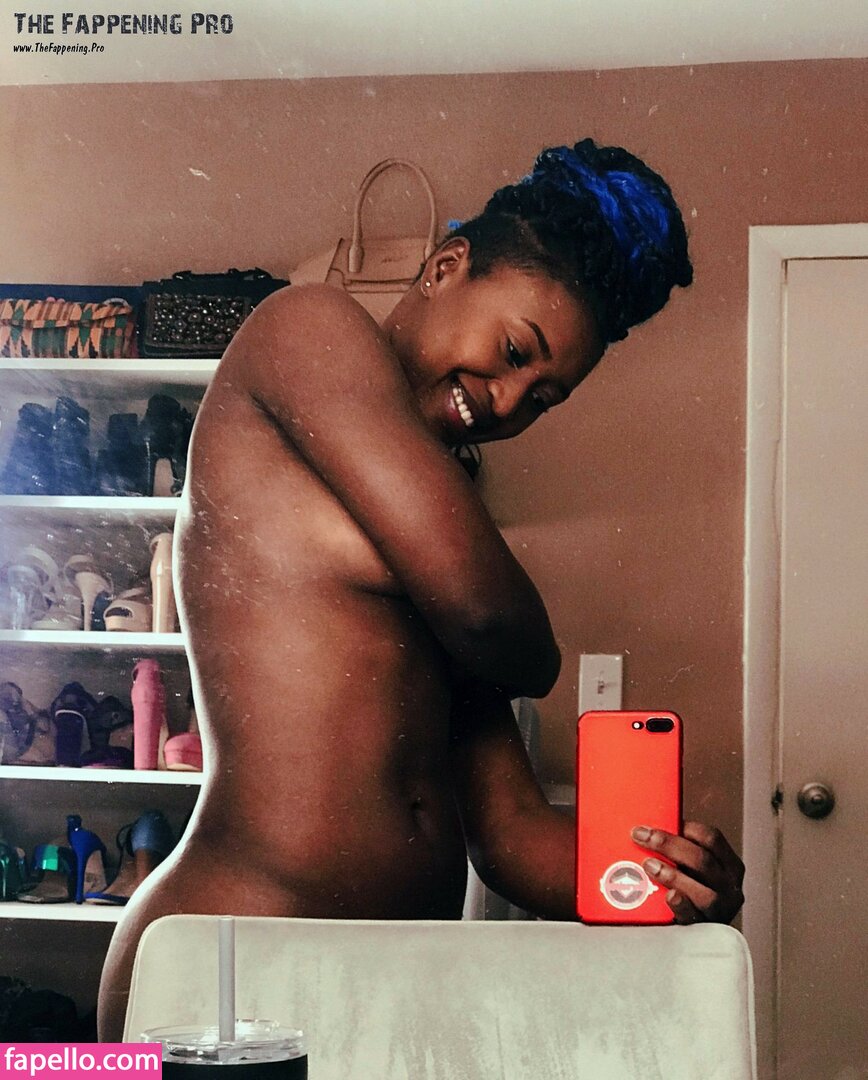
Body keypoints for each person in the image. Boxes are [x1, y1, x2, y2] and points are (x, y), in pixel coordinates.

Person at [98, 139, 745, 1040]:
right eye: (514, 351)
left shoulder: (438, 509)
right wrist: (526, 651)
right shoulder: (307, 329)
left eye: (544, 396)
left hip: (393, 980)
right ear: (445, 267)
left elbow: (512, 836)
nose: (509, 400)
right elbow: (498, 626)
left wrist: (668, 879)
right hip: (230, 959)